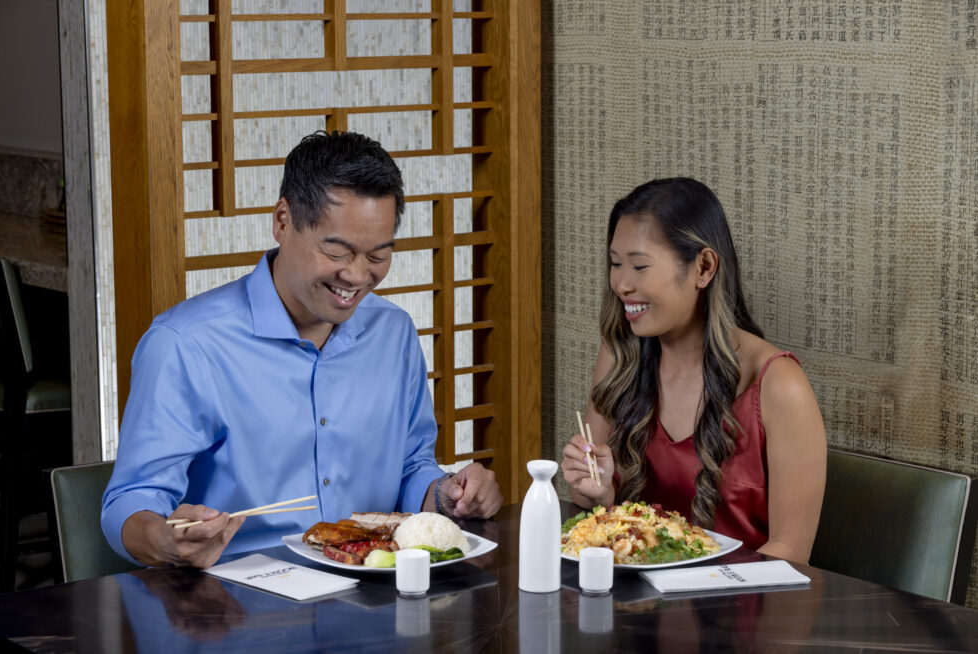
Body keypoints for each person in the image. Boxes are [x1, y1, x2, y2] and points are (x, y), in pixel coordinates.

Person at [102, 131, 503, 569]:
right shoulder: (186, 344)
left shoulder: (394, 334)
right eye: (337, 250)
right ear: (282, 220)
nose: (356, 276)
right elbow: (131, 501)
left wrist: (448, 496)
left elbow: (411, 468)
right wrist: (162, 538)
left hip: (370, 601)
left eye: (378, 256)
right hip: (234, 606)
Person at [560, 178, 826, 563]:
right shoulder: (619, 355)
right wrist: (597, 494)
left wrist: (686, 589)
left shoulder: (778, 384)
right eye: (615, 264)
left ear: (703, 267)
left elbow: (791, 551)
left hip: (740, 609)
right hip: (636, 610)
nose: (620, 283)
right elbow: (596, 514)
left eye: (639, 266)